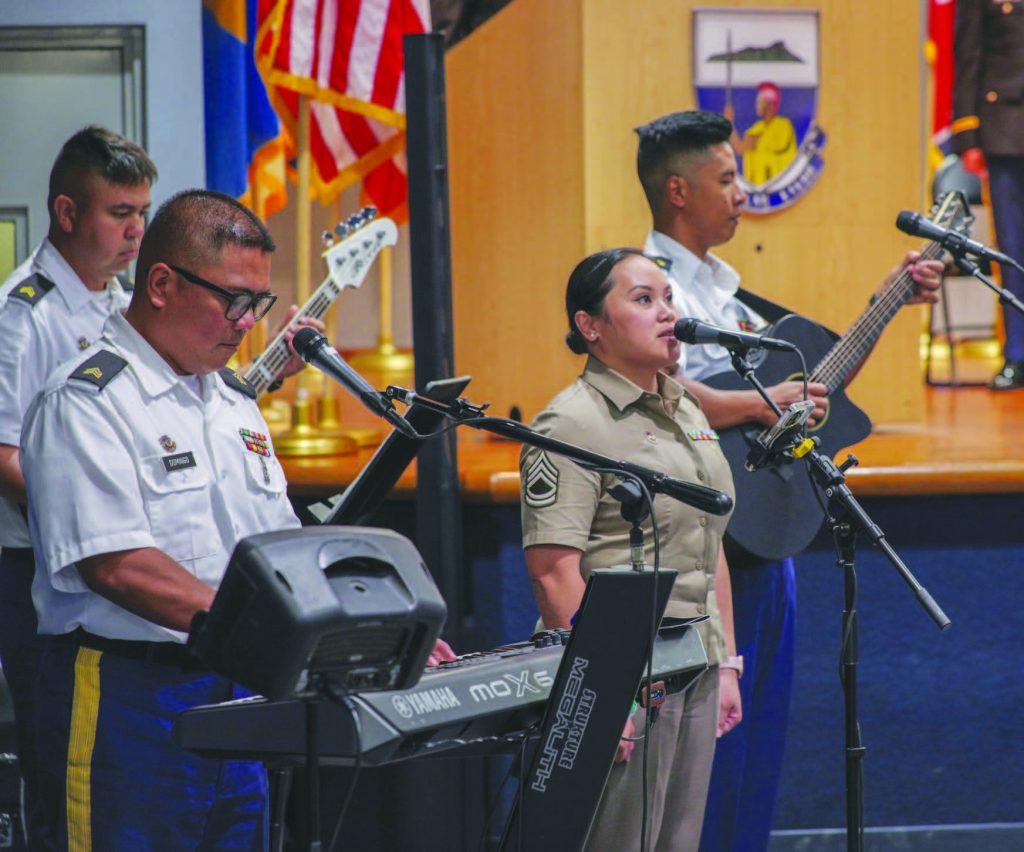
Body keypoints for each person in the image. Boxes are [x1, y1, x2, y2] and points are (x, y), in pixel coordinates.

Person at [20, 189, 457, 849]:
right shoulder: (86, 400)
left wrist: (374, 638)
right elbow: (118, 565)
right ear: (162, 283)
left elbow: (281, 555)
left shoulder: (229, 404)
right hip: (128, 698)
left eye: (258, 304)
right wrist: (278, 631)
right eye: (233, 300)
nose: (247, 322)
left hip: (237, 688)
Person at [634, 109, 942, 851]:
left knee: (760, 743)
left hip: (764, 541)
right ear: (678, 190)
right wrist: (769, 400)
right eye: (727, 178)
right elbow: (666, 388)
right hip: (709, 548)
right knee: (715, 748)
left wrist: (887, 300)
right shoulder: (652, 286)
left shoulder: (725, 291)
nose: (741, 192)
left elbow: (815, 390)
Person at [520, 247, 741, 851]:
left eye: (668, 297)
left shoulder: (685, 406)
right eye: (644, 300)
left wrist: (726, 662)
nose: (667, 312)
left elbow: (708, 540)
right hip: (629, 673)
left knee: (677, 842)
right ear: (590, 327)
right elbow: (552, 571)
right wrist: (600, 693)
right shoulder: (570, 423)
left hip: (694, 659)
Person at [0, 126, 156, 848]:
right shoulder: (21, 313)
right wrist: (83, 516)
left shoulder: (116, 305)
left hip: (114, 565)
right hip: (36, 569)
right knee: (55, 756)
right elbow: (2, 454)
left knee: (112, 763)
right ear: (67, 213)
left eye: (142, 213)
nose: (135, 231)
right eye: (119, 212)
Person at [952, 0, 1024, 390]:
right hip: (1006, 132)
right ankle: (1018, 354)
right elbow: (968, 52)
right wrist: (967, 132)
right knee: (1012, 251)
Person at [725, 82, 797, 185]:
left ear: (769, 104)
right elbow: (740, 148)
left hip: (777, 187)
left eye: (759, 102)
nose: (756, 105)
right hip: (757, 189)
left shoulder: (783, 126)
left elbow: (745, 145)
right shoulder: (757, 128)